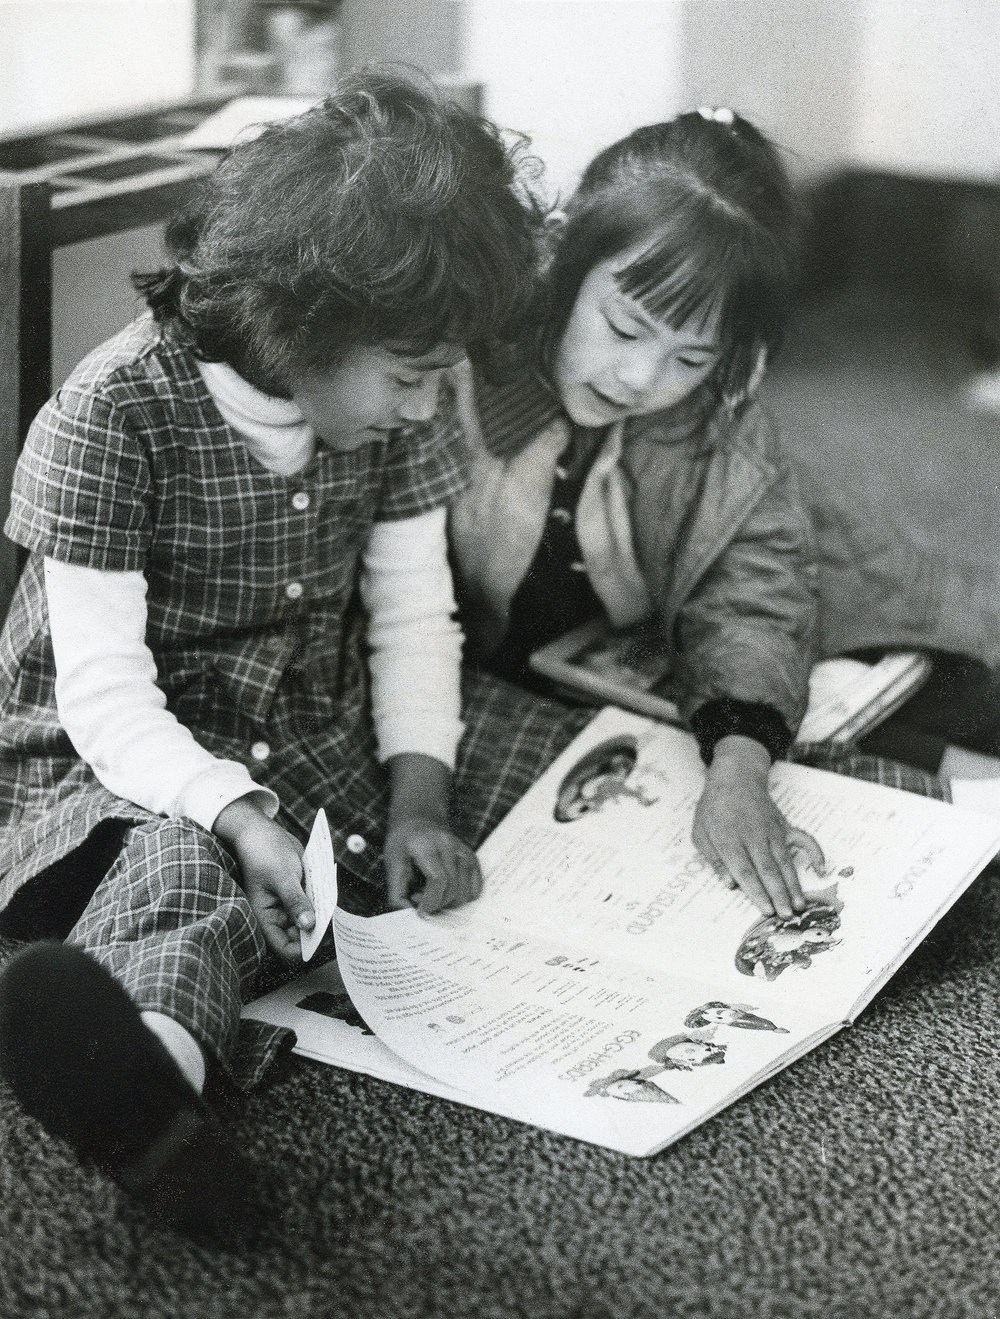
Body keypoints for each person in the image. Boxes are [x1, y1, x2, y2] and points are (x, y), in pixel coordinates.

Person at [0, 73, 586, 1234]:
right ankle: (146, 1097)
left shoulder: (389, 411)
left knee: (562, 752)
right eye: (409, 377)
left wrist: (422, 796)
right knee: (185, 881)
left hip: (309, 710)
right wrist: (234, 808)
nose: (427, 409)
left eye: (442, 377)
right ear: (300, 323)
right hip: (128, 758)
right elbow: (107, 701)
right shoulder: (112, 409)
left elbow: (418, 622)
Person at [448, 106, 943, 921]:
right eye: (623, 327)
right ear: (564, 261)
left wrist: (740, 764)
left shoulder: (717, 414)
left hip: (657, 649)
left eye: (690, 356)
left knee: (893, 752)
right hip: (497, 665)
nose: (642, 378)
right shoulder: (464, 363)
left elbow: (752, 583)